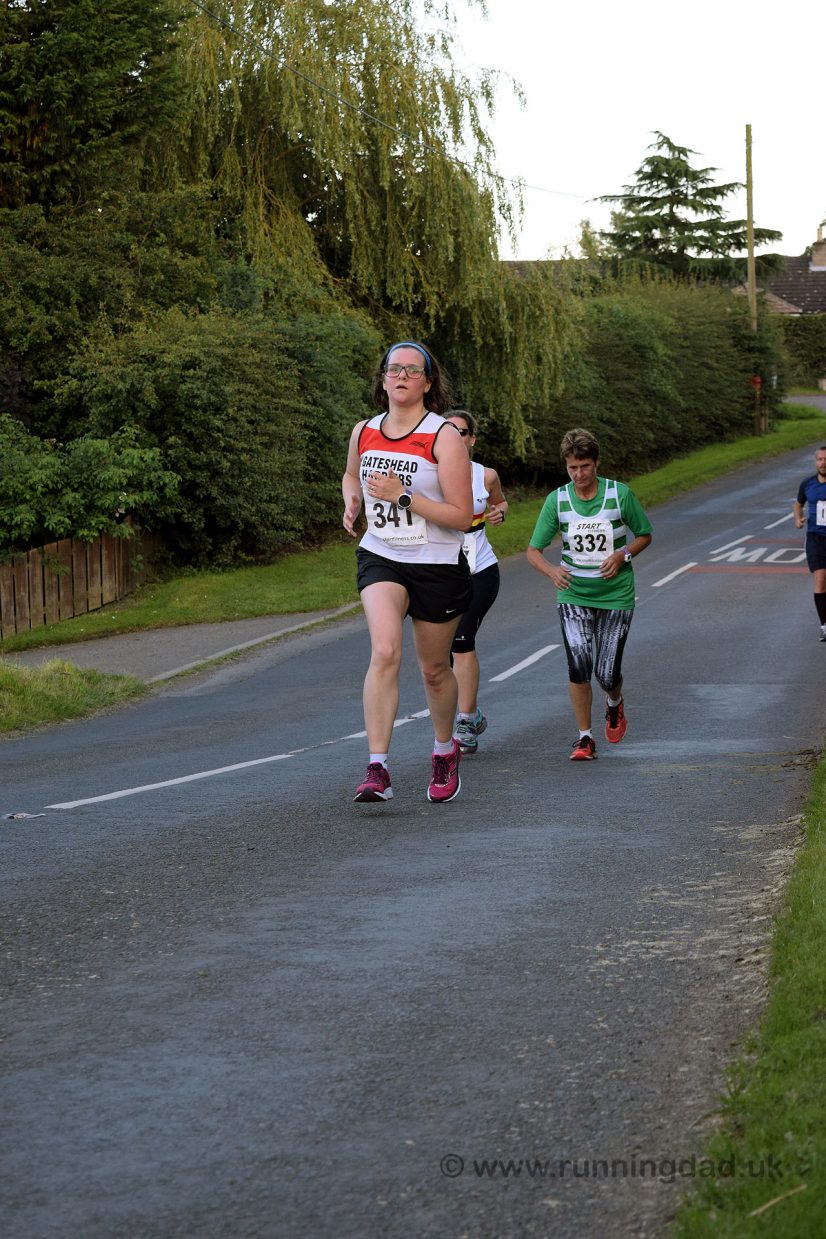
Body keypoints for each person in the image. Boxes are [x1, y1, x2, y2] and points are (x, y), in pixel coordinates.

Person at [342, 341, 473, 803]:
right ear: (382, 379)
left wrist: (403, 496)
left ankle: (444, 749)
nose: (401, 376)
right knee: (384, 651)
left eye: (412, 370)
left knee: (434, 670)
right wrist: (351, 497)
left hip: (436, 563)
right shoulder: (364, 430)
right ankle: (377, 767)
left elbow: (462, 516)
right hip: (381, 554)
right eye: (393, 369)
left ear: (428, 383)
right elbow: (351, 474)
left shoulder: (443, 437)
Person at [526, 428, 652, 761]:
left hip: (615, 594)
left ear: (596, 463)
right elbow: (533, 551)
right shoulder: (558, 500)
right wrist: (552, 571)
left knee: (606, 674)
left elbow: (644, 535)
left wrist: (622, 555)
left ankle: (614, 702)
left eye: (584, 466)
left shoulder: (619, 494)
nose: (579, 474)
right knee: (578, 666)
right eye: (573, 468)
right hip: (574, 594)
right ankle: (585, 738)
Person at [444, 410, 508, 753]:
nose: (456, 437)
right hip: (441, 572)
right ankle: (472, 711)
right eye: (449, 431)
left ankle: (466, 720)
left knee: (461, 641)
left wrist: (500, 513)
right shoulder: (429, 475)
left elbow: (501, 503)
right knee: (442, 652)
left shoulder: (486, 475)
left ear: (472, 439)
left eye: (462, 432)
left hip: (481, 569)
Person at [793, 445, 826, 641]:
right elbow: (798, 504)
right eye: (820, 459)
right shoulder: (807, 484)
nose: (823, 463)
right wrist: (798, 520)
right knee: (820, 579)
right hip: (816, 538)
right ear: (816, 462)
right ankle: (825, 625)